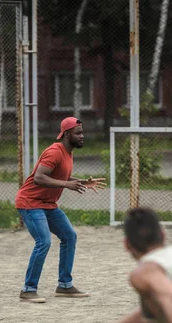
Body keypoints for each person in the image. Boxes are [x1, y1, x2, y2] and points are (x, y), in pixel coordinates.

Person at [15, 117, 106, 303]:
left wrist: (81, 182)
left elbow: (60, 174)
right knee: (44, 242)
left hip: (48, 204)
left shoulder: (68, 152)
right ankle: (28, 289)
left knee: (69, 236)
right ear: (66, 134)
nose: (82, 136)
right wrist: (66, 184)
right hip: (30, 202)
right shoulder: (55, 152)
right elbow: (39, 178)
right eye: (78, 133)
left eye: (82, 133)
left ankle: (64, 285)